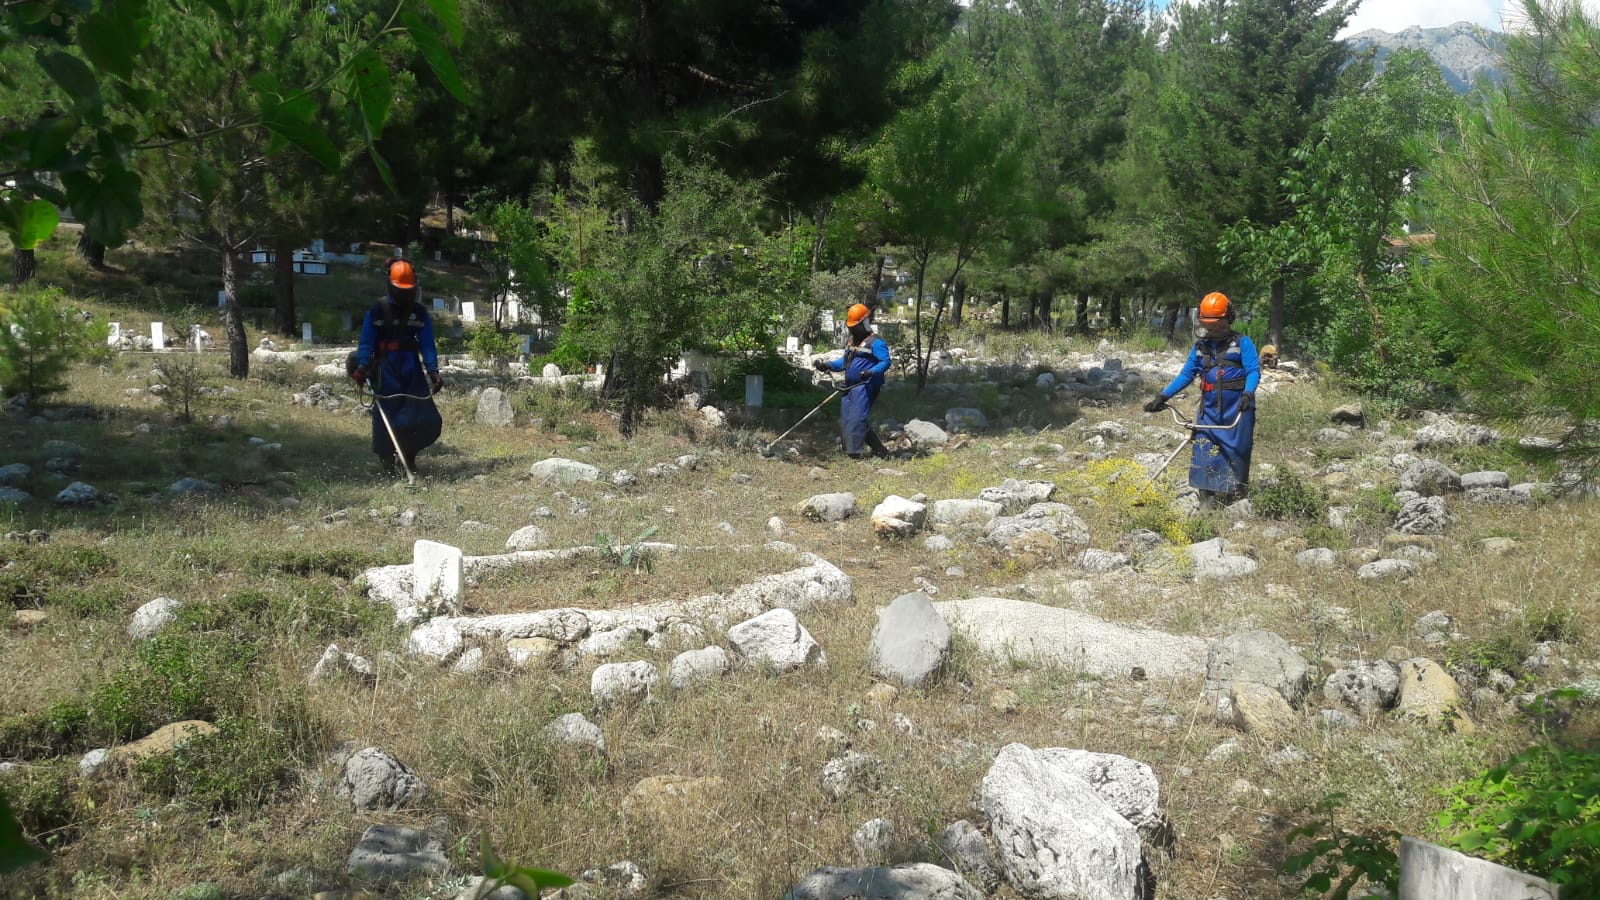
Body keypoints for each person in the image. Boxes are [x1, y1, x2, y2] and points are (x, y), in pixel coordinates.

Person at [1143, 291, 1261, 508]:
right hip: (1209, 409)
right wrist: (1162, 396)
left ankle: (1233, 497)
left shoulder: (1243, 342)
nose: (1214, 331)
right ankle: (1206, 497)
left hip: (1237, 408)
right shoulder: (1200, 347)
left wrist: (1248, 393)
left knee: (1236, 449)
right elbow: (1187, 374)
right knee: (1204, 447)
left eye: (1219, 326)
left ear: (1229, 318)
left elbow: (1253, 370)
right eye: (1210, 326)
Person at [353, 258, 444, 477]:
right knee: (387, 414)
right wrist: (362, 367)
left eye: (408, 290)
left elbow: (427, 344)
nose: (404, 294)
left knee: (418, 414)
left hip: (411, 368)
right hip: (385, 370)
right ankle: (387, 461)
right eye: (400, 290)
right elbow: (367, 342)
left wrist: (433, 371)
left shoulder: (419, 313)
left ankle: (409, 458)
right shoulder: (377, 311)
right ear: (390, 285)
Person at [813, 303, 891, 459]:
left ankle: (854, 455)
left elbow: (885, 361)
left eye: (855, 327)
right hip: (850, 387)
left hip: (865, 385)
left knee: (857, 418)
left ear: (864, 323)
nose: (852, 330)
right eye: (851, 327)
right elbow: (844, 363)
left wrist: (871, 372)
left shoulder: (877, 342)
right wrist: (827, 365)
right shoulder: (852, 342)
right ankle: (880, 451)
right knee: (848, 419)